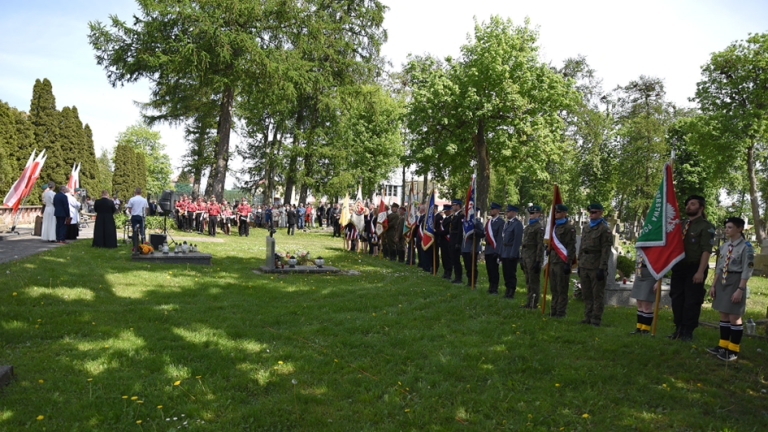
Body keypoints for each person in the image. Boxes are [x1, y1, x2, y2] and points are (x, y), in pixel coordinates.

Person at [668, 195, 715, 341]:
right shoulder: (680, 224)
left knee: (692, 300)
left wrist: (700, 271)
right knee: (676, 298)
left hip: (695, 267)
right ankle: (678, 328)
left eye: (693, 204)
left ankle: (688, 331)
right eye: (687, 204)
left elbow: (706, 251)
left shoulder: (706, 226)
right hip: (679, 266)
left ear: (701, 208)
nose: (688, 206)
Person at [707, 217, 753, 362]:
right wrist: (713, 285)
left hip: (736, 281)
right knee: (723, 315)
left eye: (730, 227)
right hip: (723, 281)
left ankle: (733, 349)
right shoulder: (724, 246)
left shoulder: (746, 247)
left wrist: (740, 289)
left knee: (734, 316)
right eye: (726, 227)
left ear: (739, 229)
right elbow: (719, 267)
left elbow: (747, 270)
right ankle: (723, 345)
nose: (726, 230)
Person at [577, 203, 612, 327]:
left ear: (601, 213)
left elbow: (605, 250)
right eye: (590, 212)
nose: (591, 215)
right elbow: (582, 246)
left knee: (597, 294)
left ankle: (596, 319)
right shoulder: (586, 228)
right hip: (585, 264)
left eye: (594, 212)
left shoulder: (604, 229)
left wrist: (602, 268)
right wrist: (579, 264)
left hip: (596, 265)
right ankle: (587, 317)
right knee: (586, 294)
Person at [548, 204, 576, 318]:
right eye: (555, 212)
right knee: (554, 288)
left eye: (558, 212)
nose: (556, 214)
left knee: (562, 288)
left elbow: (571, 247)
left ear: (565, 213)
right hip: (553, 261)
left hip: (561, 261)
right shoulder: (554, 227)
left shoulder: (569, 228)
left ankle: (560, 312)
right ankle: (553, 310)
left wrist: (568, 263)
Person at [520, 205, 545, 309]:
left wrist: (538, 261)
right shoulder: (528, 227)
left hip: (533, 257)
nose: (530, 215)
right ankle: (529, 301)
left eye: (533, 213)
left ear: (538, 214)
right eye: (529, 213)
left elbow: (540, 245)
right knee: (528, 281)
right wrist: (522, 258)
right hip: (526, 256)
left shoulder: (539, 227)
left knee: (534, 282)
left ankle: (533, 303)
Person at [500, 205, 523, 299]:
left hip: (511, 252)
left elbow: (517, 241)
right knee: (505, 273)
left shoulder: (517, 224)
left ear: (514, 212)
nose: (506, 213)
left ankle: (511, 292)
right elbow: (503, 239)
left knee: (511, 274)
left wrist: (513, 254)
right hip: (505, 251)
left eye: (508, 212)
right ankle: (507, 291)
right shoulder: (508, 224)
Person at [484, 202, 505, 295]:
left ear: (497, 210)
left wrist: (497, 251)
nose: (490, 211)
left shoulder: (501, 222)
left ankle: (495, 288)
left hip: (494, 248)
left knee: (494, 270)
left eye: (492, 209)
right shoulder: (489, 222)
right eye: (490, 209)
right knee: (489, 269)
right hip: (488, 248)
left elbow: (500, 238)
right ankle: (490, 286)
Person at [461, 212, 484, 288]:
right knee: (467, 265)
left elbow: (482, 234)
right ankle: (469, 281)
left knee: (473, 265)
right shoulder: (465, 221)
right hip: (465, 246)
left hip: (473, 246)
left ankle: (473, 281)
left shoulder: (477, 222)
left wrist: (475, 230)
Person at [126, 187, 148, 251]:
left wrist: (131, 213)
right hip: (141, 216)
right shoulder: (144, 200)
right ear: (141, 193)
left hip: (134, 216)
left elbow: (129, 209)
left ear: (135, 192)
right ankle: (143, 245)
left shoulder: (132, 199)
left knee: (134, 231)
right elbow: (146, 209)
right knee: (142, 232)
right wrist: (144, 215)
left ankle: (134, 246)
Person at [449, 200, 464, 284]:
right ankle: (456, 277)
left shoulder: (460, 216)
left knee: (456, 260)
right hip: (452, 239)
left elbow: (460, 230)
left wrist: (458, 242)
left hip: (456, 240)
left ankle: (459, 278)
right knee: (453, 260)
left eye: (453, 205)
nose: (452, 207)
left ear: (458, 205)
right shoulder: (455, 216)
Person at [439, 204, 453, 279]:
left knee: (448, 257)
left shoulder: (451, 219)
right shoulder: (445, 219)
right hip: (443, 240)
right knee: (444, 257)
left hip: (447, 240)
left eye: (446, 211)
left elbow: (447, 230)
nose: (444, 212)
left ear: (449, 211)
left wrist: (438, 233)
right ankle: (445, 271)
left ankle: (449, 273)